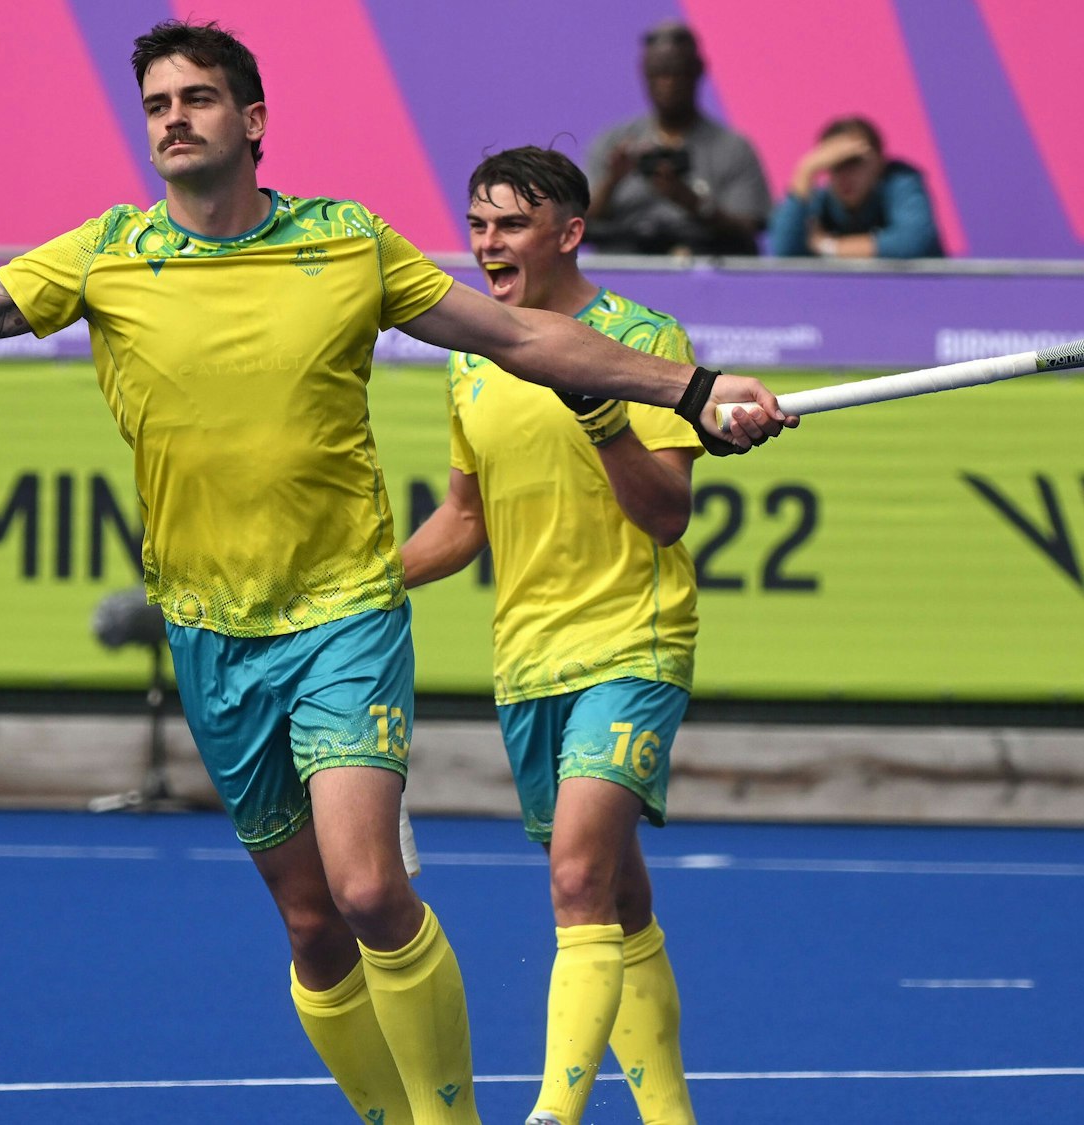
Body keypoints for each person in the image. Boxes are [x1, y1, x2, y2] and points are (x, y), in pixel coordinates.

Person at [0, 20, 789, 1125]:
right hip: (210, 631)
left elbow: (524, 336)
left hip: (342, 617)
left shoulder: (346, 241)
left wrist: (689, 390)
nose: (174, 116)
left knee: (373, 891)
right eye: (158, 100)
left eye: (201, 96)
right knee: (312, 924)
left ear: (253, 118)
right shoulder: (104, 255)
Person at [402, 147, 705, 1125]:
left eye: (509, 226)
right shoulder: (468, 360)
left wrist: (606, 413)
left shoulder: (642, 340)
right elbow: (462, 520)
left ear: (567, 233)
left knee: (576, 874)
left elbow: (664, 514)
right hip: (527, 661)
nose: (486, 245)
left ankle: (551, 1114)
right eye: (477, 224)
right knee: (616, 897)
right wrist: (359, 580)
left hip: (632, 641)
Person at [582, 22, 772, 257]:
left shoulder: (733, 149)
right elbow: (580, 223)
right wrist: (612, 181)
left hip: (706, 267)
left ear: (698, 71)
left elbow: (749, 228)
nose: (667, 83)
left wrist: (692, 202)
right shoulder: (613, 143)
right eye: (657, 74)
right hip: (624, 269)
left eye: (676, 72)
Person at [766, 115, 946, 259]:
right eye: (835, 165)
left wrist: (829, 246)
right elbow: (784, 252)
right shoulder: (821, 199)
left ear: (880, 163)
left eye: (854, 162)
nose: (845, 175)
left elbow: (912, 243)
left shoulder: (900, 182)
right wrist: (805, 171)